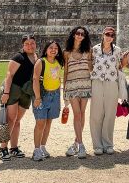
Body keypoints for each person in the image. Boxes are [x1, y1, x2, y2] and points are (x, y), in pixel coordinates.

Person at [0, 34, 38, 161]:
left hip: (26, 91)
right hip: (14, 89)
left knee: (17, 120)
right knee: (11, 120)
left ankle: (14, 148)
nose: (30, 46)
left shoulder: (37, 57)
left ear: (35, 44)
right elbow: (9, 75)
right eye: (27, 44)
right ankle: (3, 148)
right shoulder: (18, 57)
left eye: (32, 43)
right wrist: (6, 93)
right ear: (23, 45)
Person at [90, 26, 123, 155]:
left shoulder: (117, 50)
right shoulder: (95, 49)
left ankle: (108, 143)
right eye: (107, 34)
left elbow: (120, 66)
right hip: (97, 82)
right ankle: (97, 145)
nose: (109, 37)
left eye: (112, 35)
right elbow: (90, 64)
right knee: (96, 114)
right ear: (103, 35)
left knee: (110, 114)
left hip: (111, 83)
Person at [31, 40, 64, 161]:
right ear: (46, 50)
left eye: (56, 48)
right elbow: (35, 79)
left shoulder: (58, 62)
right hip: (42, 95)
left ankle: (43, 146)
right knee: (40, 122)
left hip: (55, 94)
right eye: (51, 47)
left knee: (48, 122)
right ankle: (36, 149)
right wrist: (38, 97)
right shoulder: (41, 62)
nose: (54, 50)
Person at [63, 26, 92, 159]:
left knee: (82, 113)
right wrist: (65, 90)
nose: (80, 35)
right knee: (77, 114)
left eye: (83, 34)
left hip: (85, 84)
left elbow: (91, 68)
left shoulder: (88, 51)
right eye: (78, 33)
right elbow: (65, 71)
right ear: (74, 35)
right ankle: (81, 144)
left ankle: (76, 143)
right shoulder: (67, 52)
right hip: (72, 85)